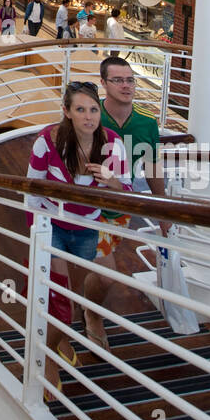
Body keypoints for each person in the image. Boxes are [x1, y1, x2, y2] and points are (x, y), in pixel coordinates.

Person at [26, 82, 131, 393]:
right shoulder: (47, 142)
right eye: (80, 110)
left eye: (94, 109)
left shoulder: (112, 145)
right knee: (61, 304)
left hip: (88, 223)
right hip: (53, 224)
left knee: (97, 281)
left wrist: (110, 180)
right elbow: (32, 191)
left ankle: (67, 335)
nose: (88, 117)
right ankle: (46, 358)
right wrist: (38, 231)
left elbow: (126, 192)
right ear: (67, 113)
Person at [82, 58, 163, 349]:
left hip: (119, 210)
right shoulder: (88, 116)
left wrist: (163, 210)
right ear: (103, 83)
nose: (126, 85)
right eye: (118, 80)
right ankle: (92, 313)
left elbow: (153, 167)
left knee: (100, 270)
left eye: (130, 79)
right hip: (85, 207)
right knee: (106, 276)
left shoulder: (146, 123)